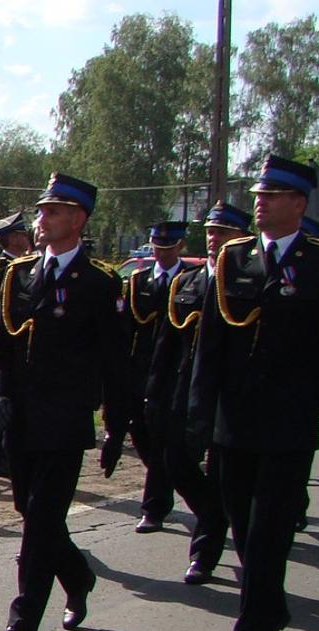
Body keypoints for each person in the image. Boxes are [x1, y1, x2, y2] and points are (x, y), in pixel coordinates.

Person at [186, 156, 319, 631]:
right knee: (244, 533)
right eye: (258, 194)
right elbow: (209, 348)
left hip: (288, 426)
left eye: (273, 195)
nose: (259, 201)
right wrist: (199, 415)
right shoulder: (234, 260)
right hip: (234, 425)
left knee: (266, 538)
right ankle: (271, 606)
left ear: (299, 205)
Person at [0, 173, 132, 631]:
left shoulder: (99, 282)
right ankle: (78, 574)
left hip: (65, 421)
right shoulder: (18, 274)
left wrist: (117, 424)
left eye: (53, 211)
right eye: (41, 210)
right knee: (33, 514)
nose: (41, 220)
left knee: (41, 521)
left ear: (78, 219)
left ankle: (22, 623)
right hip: (20, 419)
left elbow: (116, 361)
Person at [162, 203, 248, 585]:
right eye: (211, 232)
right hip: (186, 390)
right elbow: (166, 344)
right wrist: (152, 392)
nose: (214, 240)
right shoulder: (187, 282)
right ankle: (214, 517)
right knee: (175, 462)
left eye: (224, 233)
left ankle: (206, 550)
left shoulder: (249, 282)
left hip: (232, 395)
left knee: (226, 477)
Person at [125, 222, 190, 534]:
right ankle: (166, 477)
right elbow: (127, 328)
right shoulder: (139, 281)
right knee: (140, 433)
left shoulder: (189, 280)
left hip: (172, 374)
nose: (161, 253)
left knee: (164, 438)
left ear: (180, 247)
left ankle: (154, 507)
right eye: (157, 247)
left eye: (168, 247)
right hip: (141, 370)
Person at [0, 210, 33, 478]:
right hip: (6, 330)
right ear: (12, 238)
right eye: (21, 234)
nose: (26, 238)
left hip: (20, 333)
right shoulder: (4, 266)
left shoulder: (26, 263)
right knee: (0, 392)